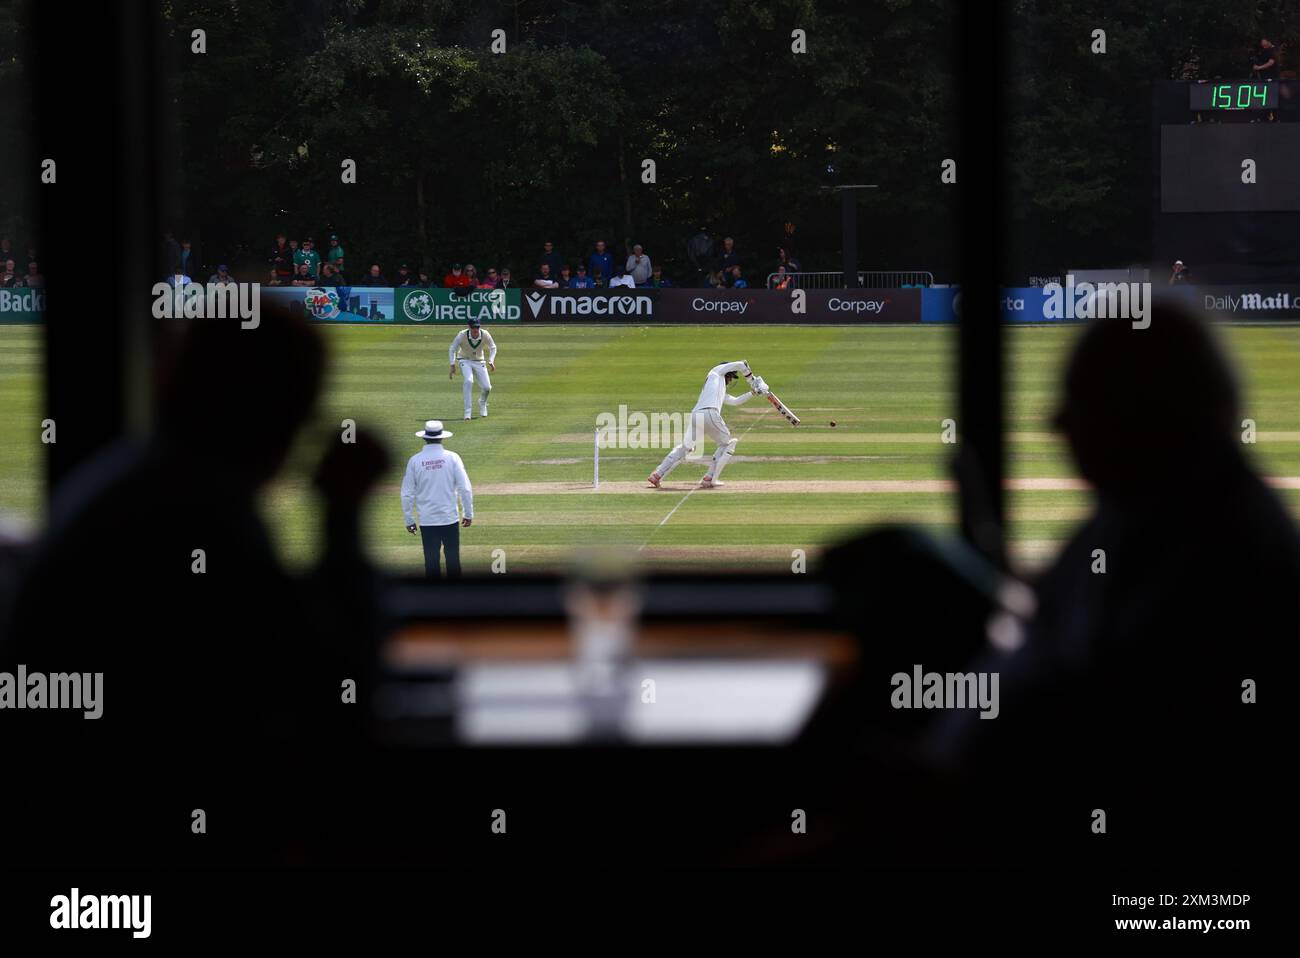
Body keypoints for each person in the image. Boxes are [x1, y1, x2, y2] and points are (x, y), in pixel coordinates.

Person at [648, 360, 766, 490]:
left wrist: (753, 392)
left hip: (696, 416)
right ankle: (709, 478)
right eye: (731, 377)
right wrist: (752, 380)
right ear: (726, 372)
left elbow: (735, 401)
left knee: (686, 447)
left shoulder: (714, 386)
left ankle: (657, 474)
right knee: (727, 444)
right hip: (710, 413)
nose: (730, 381)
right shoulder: (717, 371)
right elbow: (742, 364)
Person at [402, 420, 473, 579]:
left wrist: (409, 519)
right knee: (453, 562)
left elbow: (407, 493)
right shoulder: (453, 458)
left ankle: (433, 599)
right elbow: (465, 488)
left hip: (427, 520)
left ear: (425, 438)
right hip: (449, 519)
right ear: (441, 438)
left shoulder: (415, 461)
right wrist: (468, 513)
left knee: (431, 564)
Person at [448, 316, 497, 419]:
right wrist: (452, 364)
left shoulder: (485, 334)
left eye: (477, 327)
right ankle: (467, 412)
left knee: (487, 388)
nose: (476, 330)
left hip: (479, 361)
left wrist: (491, 360)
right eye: (473, 327)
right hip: (464, 360)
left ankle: (482, 402)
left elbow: (493, 347)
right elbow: (452, 348)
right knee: (469, 381)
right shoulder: (462, 335)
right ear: (469, 327)